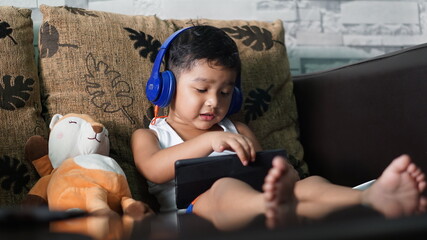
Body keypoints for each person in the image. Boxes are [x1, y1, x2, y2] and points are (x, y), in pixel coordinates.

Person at [131, 25, 426, 229]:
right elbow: (154, 168)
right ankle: (269, 206)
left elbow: (267, 171)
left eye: (224, 92)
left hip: (265, 201)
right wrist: (207, 143)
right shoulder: (150, 134)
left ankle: (368, 199)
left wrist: (284, 174)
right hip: (196, 214)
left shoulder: (238, 130)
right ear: (165, 86)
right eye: (201, 90)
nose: (213, 102)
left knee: (310, 184)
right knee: (224, 187)